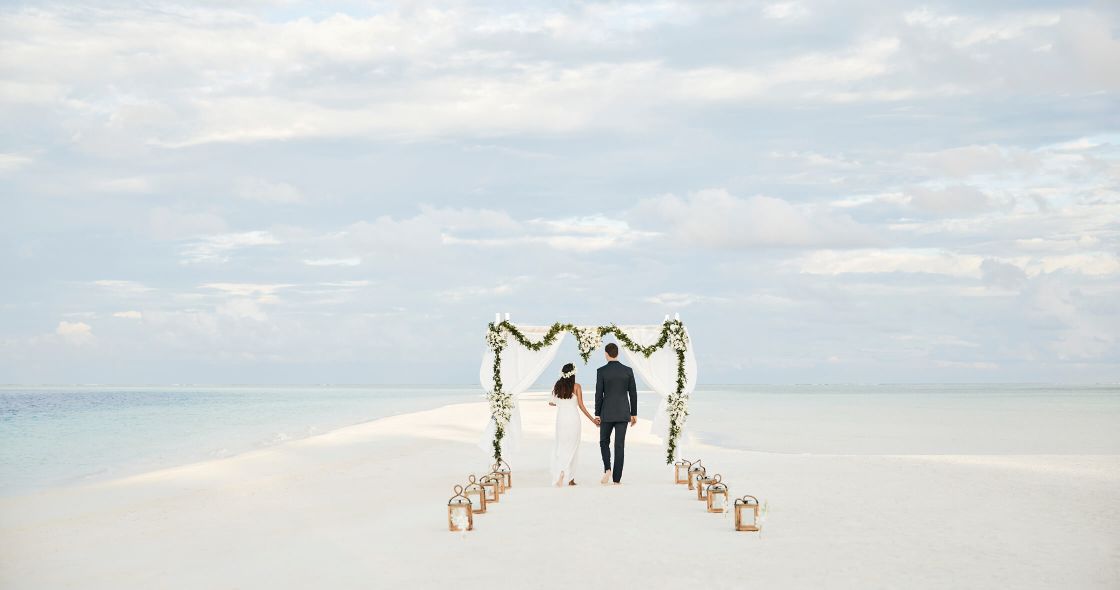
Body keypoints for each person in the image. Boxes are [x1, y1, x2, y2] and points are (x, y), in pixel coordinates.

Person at [594, 342, 637, 485]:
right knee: (619, 445)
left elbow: (598, 394)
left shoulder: (601, 371)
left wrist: (597, 414)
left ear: (606, 354)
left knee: (604, 442)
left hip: (606, 412)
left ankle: (607, 468)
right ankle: (617, 479)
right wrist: (634, 413)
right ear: (617, 353)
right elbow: (633, 393)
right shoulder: (628, 370)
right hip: (623, 412)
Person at [548, 362, 596, 487]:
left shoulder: (557, 386)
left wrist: (561, 403)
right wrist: (592, 420)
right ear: (573, 373)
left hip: (561, 419)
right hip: (573, 419)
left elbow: (551, 403)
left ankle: (561, 473)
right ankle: (570, 479)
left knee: (562, 446)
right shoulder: (577, 387)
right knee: (574, 447)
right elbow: (581, 405)